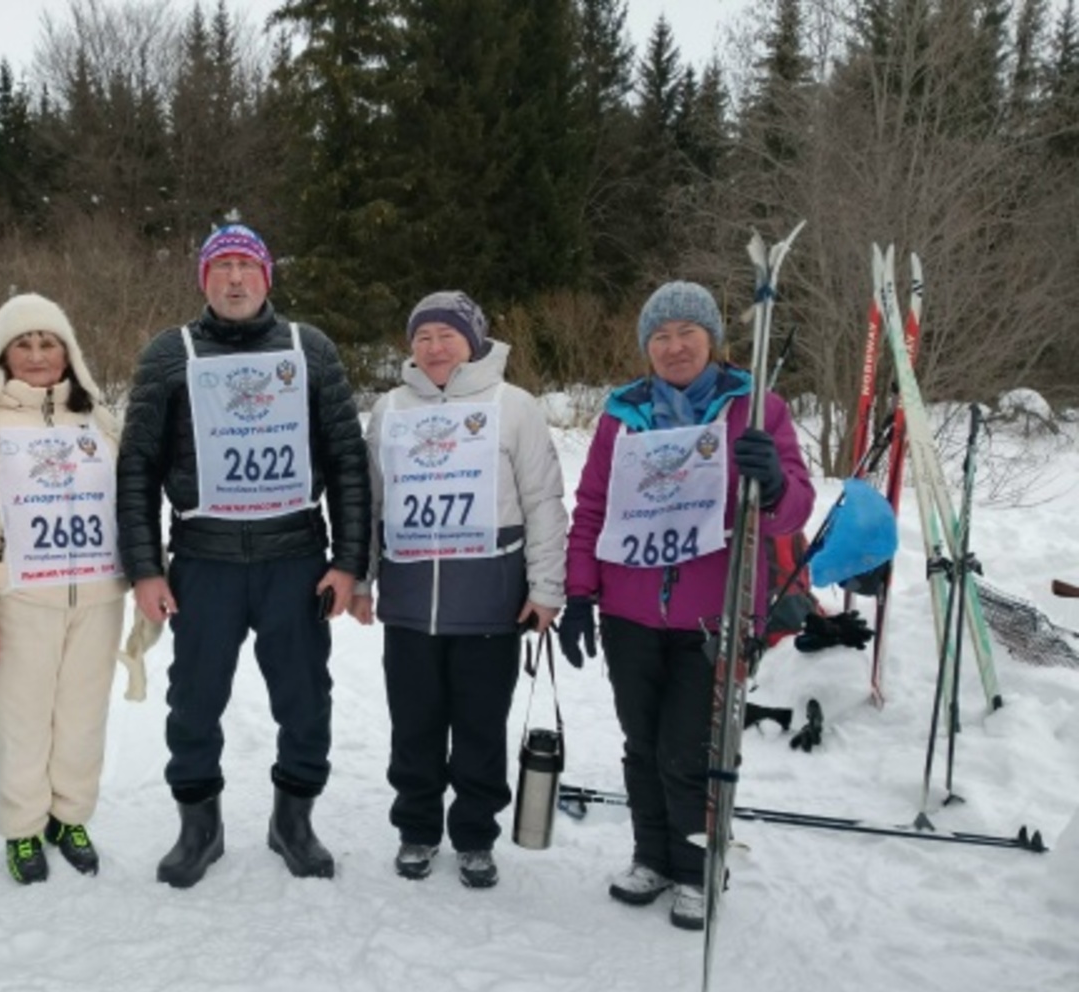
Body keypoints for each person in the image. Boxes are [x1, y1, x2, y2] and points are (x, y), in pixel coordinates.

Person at [116, 223, 372, 888]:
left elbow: (347, 459)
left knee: (306, 699)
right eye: (222, 266)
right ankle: (199, 826)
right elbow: (137, 467)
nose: (235, 279)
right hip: (205, 561)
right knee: (195, 701)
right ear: (205, 280)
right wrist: (144, 568)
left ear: (267, 277)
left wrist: (349, 562)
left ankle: (294, 821)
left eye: (247, 266)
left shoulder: (307, 348)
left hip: (296, 558)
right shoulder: (169, 355)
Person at [558, 280, 814, 930]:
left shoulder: (756, 410)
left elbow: (794, 512)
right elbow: (592, 508)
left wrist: (775, 479)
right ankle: (652, 855)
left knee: (691, 748)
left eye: (686, 334)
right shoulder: (623, 413)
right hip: (629, 611)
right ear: (647, 347)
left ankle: (699, 865)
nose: (674, 347)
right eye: (661, 336)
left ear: (711, 340)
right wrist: (581, 593)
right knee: (642, 743)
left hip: (714, 612)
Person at [350, 292, 568, 888]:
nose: (434, 346)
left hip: (489, 603)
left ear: (473, 341)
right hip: (412, 606)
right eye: (422, 337)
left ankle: (475, 835)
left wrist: (547, 586)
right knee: (414, 727)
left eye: (447, 334)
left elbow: (544, 502)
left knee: (479, 728)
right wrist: (363, 579)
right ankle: (417, 829)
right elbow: (369, 503)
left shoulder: (513, 406)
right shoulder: (390, 408)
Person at [0, 293, 128, 884]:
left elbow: (130, 506)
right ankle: (22, 828)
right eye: (25, 343)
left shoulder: (99, 419)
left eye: (49, 343)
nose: (38, 355)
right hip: (18, 598)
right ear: (2, 353)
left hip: (96, 594)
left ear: (68, 352)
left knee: (81, 716)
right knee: (22, 720)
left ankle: (69, 816)